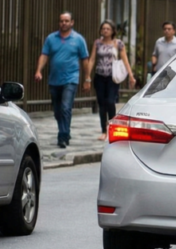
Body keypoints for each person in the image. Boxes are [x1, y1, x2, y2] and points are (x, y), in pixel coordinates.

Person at [35, 11, 90, 149]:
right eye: (61, 21)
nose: (63, 23)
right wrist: (38, 71)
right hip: (54, 80)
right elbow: (44, 56)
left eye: (66, 21)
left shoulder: (78, 39)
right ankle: (64, 130)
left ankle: (63, 135)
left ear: (72, 22)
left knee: (66, 107)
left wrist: (87, 78)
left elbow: (85, 60)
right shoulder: (51, 38)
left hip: (71, 79)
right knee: (57, 110)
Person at [85, 21, 136, 139]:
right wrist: (87, 76)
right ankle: (104, 130)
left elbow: (125, 60)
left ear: (112, 30)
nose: (105, 30)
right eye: (103, 28)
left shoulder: (118, 43)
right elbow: (92, 59)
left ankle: (113, 128)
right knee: (101, 103)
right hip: (99, 76)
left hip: (112, 77)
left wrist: (131, 76)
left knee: (110, 102)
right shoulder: (97, 43)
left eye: (108, 28)